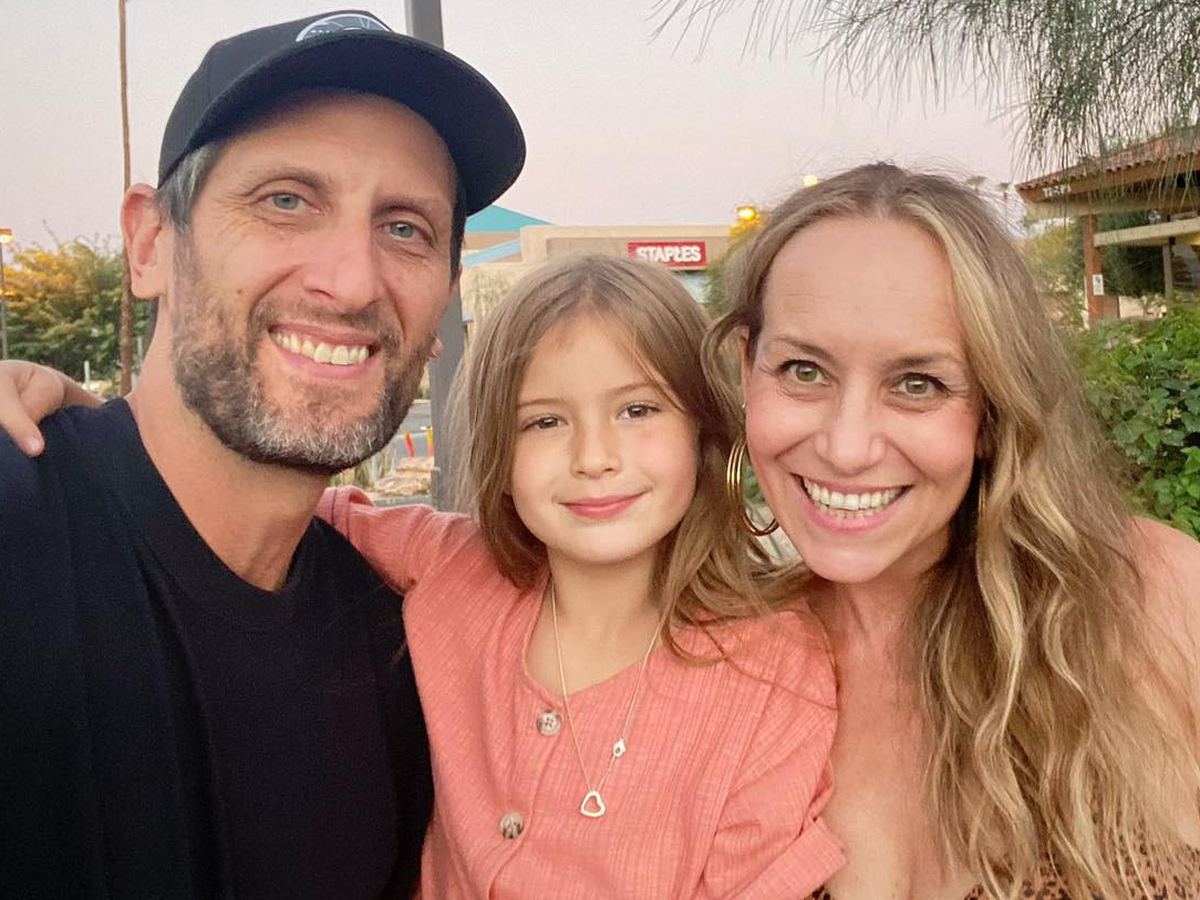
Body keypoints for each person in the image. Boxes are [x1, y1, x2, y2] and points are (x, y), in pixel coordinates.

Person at [0, 9, 524, 900]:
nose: (352, 281)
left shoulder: (398, 656)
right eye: (286, 201)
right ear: (151, 244)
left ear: (443, 299)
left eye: (405, 228)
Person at [706, 162, 1200, 899]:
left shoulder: (1154, 599)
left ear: (994, 409)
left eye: (918, 384)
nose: (847, 448)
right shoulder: (714, 671)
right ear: (748, 369)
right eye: (804, 371)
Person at [317, 254, 843, 898]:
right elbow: (280, 515)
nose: (594, 458)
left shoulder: (775, 669)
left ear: (702, 429)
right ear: (500, 449)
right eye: (545, 421)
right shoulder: (453, 565)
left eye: (638, 410)